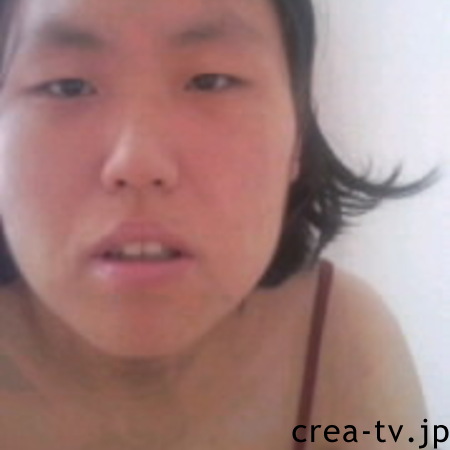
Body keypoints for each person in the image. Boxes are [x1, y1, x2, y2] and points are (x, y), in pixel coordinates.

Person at [0, 0, 436, 448]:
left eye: (211, 81)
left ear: (298, 136)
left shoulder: (342, 337)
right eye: (68, 86)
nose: (138, 162)